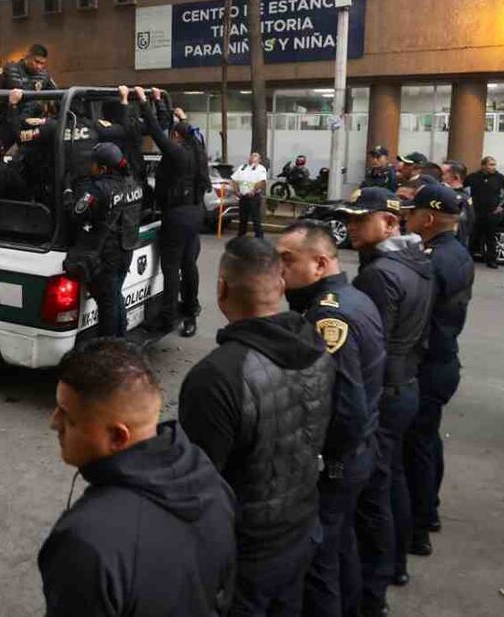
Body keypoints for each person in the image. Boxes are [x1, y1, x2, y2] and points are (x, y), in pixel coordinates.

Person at [179, 236, 334, 616]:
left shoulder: (218, 376)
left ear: (221, 289)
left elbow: (198, 486)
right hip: (300, 528)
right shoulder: (316, 343)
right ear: (280, 287)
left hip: (246, 554)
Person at [39, 339, 237, 616]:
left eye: (67, 416)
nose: (53, 422)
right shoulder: (211, 482)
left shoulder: (86, 542)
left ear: (117, 436)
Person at [275, 221, 386, 617]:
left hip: (339, 461)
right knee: (340, 548)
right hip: (358, 452)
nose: (279, 270)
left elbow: (345, 407)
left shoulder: (327, 317)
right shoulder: (352, 297)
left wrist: (323, 460)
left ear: (320, 264)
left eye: (287, 261)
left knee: (319, 563)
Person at [338, 188, 433, 616]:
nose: (352, 226)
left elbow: (369, 345)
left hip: (388, 390)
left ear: (391, 223)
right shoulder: (413, 259)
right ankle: (394, 562)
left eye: (362, 219)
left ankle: (379, 575)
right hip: (406, 381)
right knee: (391, 476)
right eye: (350, 219)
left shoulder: (378, 274)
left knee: (377, 489)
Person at [401, 184, 474, 557]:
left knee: (415, 447)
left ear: (427, 219)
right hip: (444, 358)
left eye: (411, 212)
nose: (406, 218)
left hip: (428, 362)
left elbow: (415, 315)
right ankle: (428, 512)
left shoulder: (431, 260)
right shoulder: (456, 251)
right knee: (427, 440)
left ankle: (417, 525)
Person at [136, 86, 212, 338]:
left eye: (174, 134)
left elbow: (156, 133)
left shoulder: (177, 153)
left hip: (178, 216)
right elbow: (182, 128)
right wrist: (161, 102)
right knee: (189, 264)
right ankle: (191, 310)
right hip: (195, 213)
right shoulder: (198, 150)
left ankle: (167, 317)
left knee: (171, 268)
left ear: (177, 137)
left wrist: (143, 102)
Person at [64, 143, 143, 338]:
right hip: (126, 249)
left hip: (108, 255)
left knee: (108, 304)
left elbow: (76, 213)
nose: (89, 166)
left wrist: (67, 191)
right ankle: (120, 339)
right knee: (115, 298)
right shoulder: (133, 183)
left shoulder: (99, 189)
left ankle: (109, 348)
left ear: (104, 168)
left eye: (93, 163)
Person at [463, 155, 504, 269]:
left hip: (492, 213)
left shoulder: (500, 178)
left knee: (490, 238)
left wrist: (503, 207)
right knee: (473, 237)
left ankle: (491, 261)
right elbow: (461, 187)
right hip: (476, 212)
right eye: (491, 164)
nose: (493, 167)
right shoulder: (474, 177)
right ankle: (468, 259)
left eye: (494, 164)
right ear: (483, 166)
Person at [232, 152, 269, 238]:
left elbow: (262, 182)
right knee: (242, 219)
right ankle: (240, 237)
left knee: (256, 219)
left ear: (259, 160)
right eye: (251, 156)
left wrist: (253, 191)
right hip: (243, 197)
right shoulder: (243, 167)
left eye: (255, 156)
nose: (252, 157)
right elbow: (234, 180)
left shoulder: (260, 168)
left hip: (253, 197)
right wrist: (236, 191)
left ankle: (259, 238)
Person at [441, 160, 474, 248]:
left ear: (456, 177)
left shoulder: (457, 198)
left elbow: (460, 228)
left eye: (443, 174)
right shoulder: (463, 196)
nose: (441, 177)